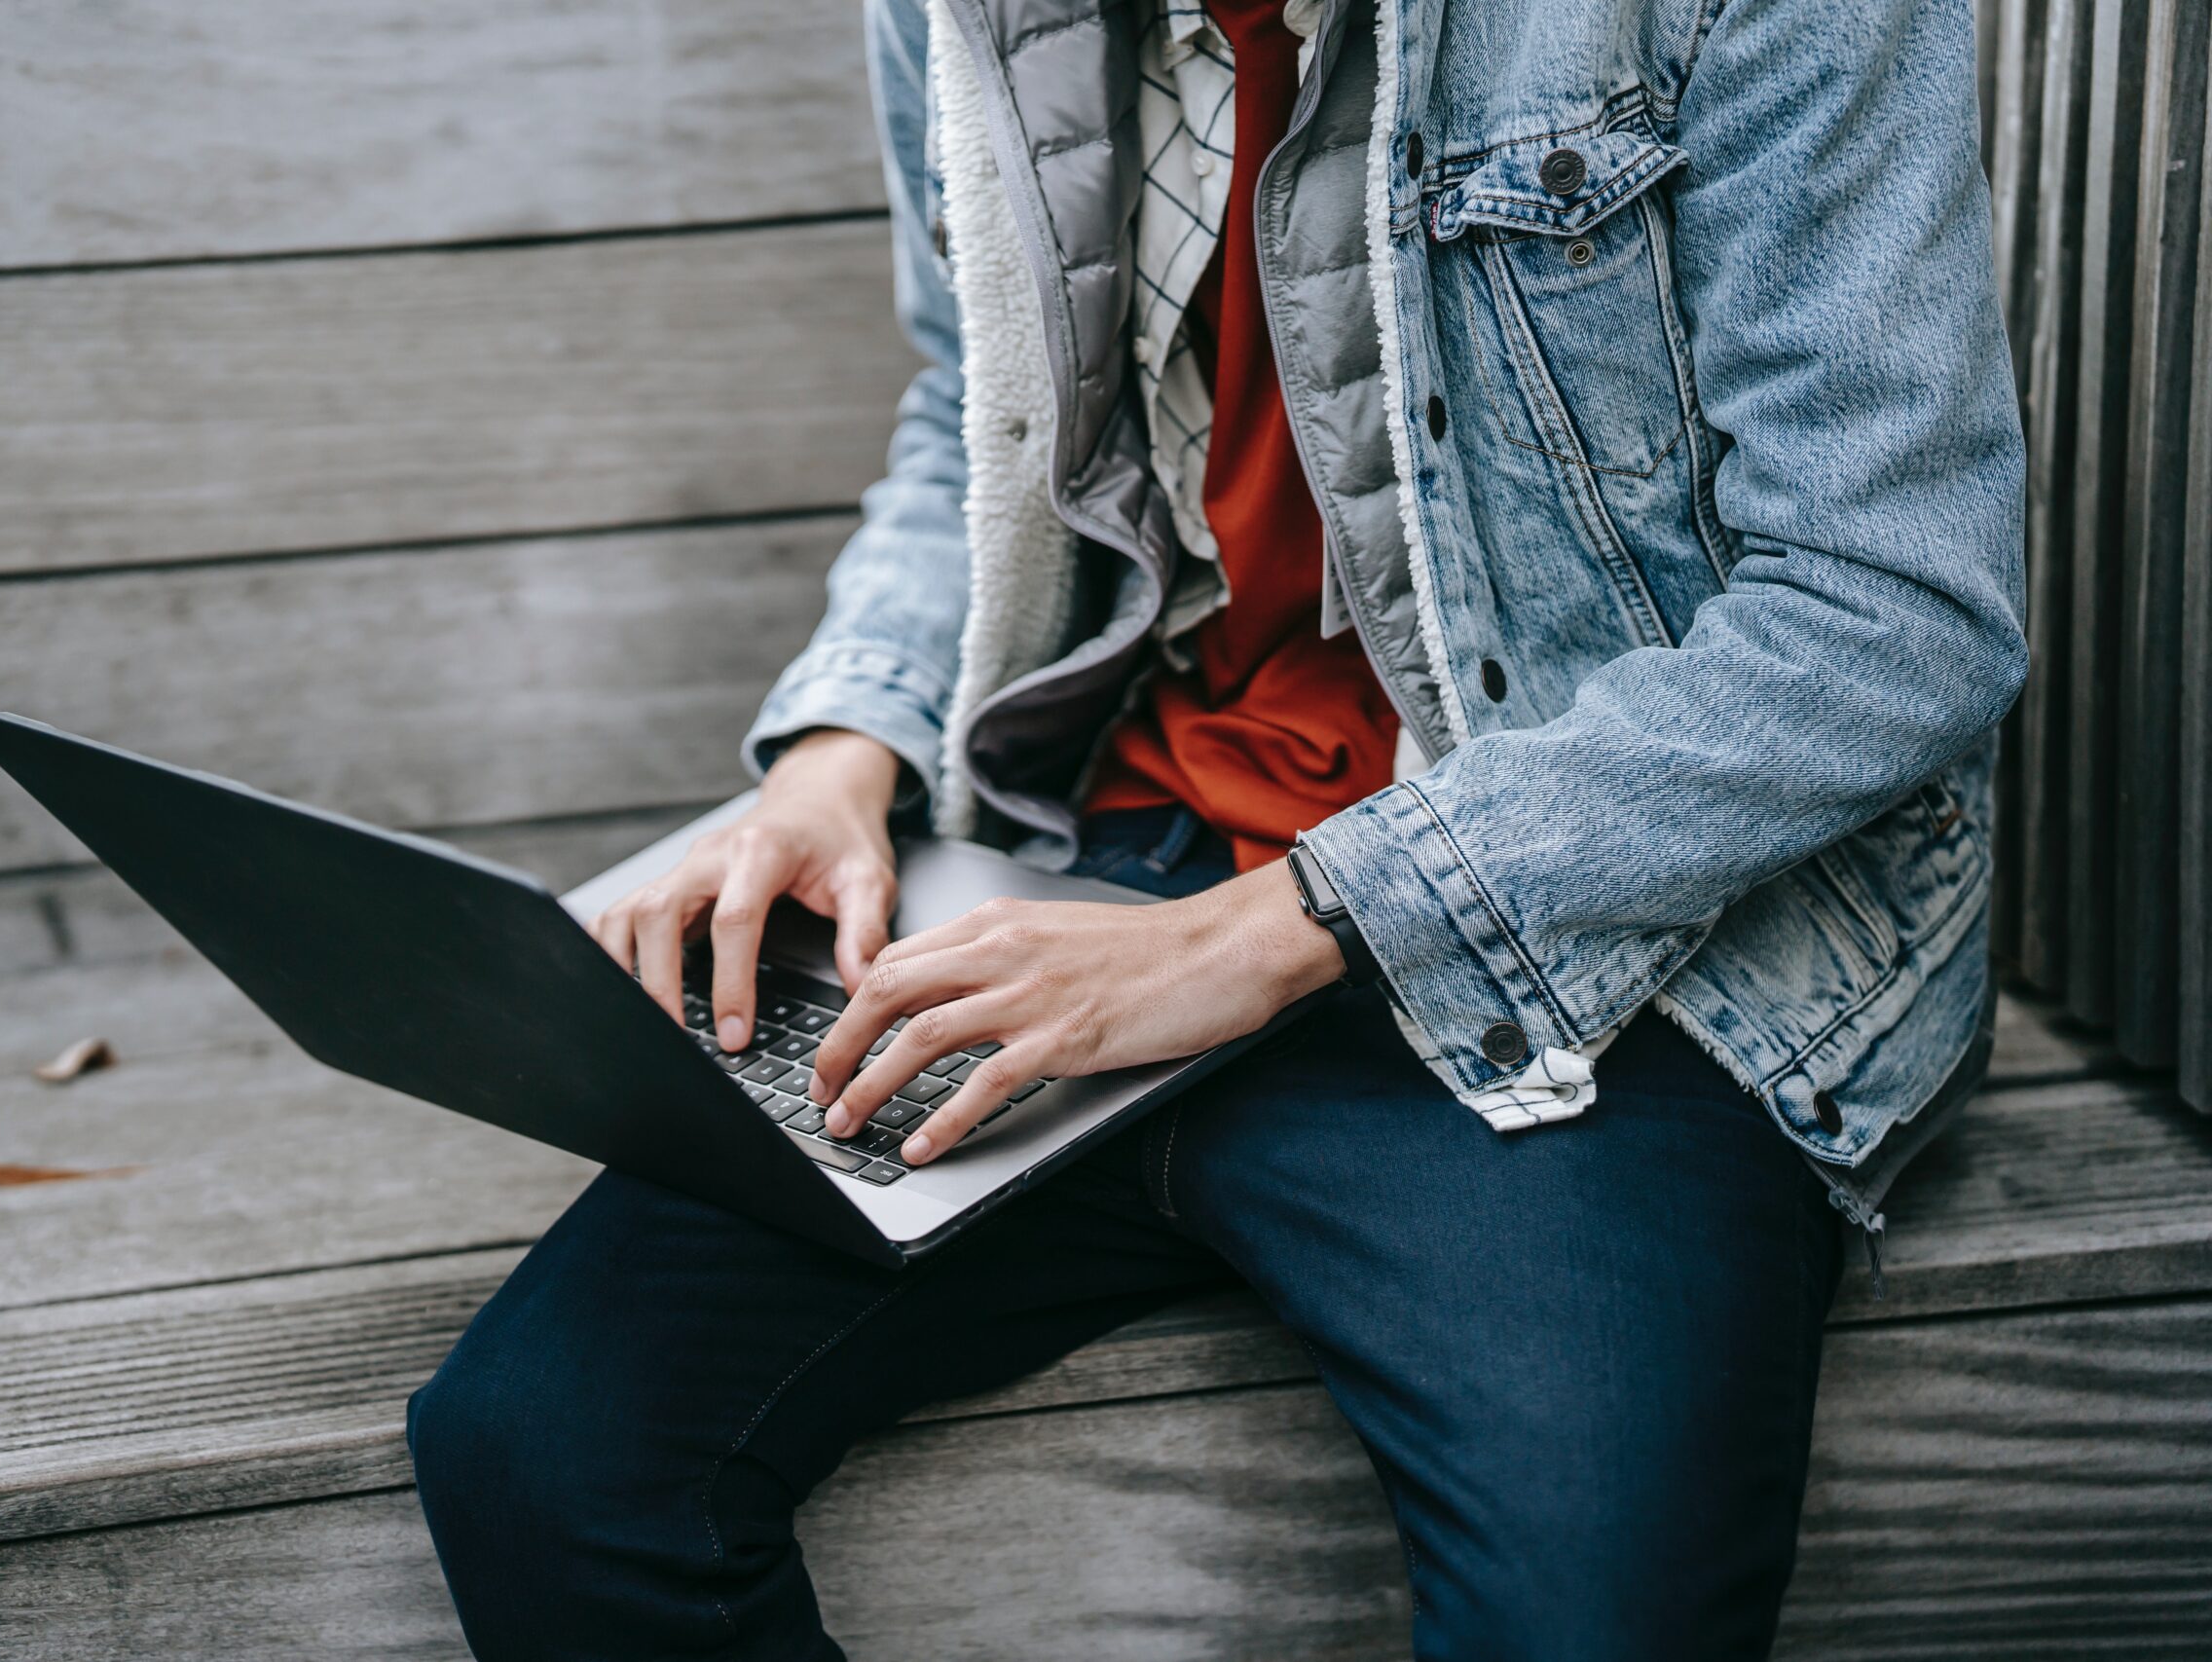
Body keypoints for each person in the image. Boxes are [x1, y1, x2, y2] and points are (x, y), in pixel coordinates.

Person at [406, 0, 2026, 1652]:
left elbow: (1890, 610)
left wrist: (1261, 936)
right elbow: (982, 413)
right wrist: (842, 748)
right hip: (1107, 860)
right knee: (538, 1455)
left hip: (1620, 943)